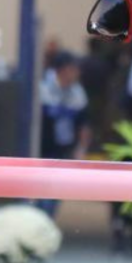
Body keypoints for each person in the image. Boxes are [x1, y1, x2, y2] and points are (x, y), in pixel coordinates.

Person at [36, 52, 90, 216]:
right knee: (42, 195)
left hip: (63, 152)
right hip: (43, 151)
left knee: (54, 195)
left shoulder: (78, 93)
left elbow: (84, 125)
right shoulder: (43, 89)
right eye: (74, 69)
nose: (77, 73)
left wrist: (81, 148)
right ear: (63, 70)